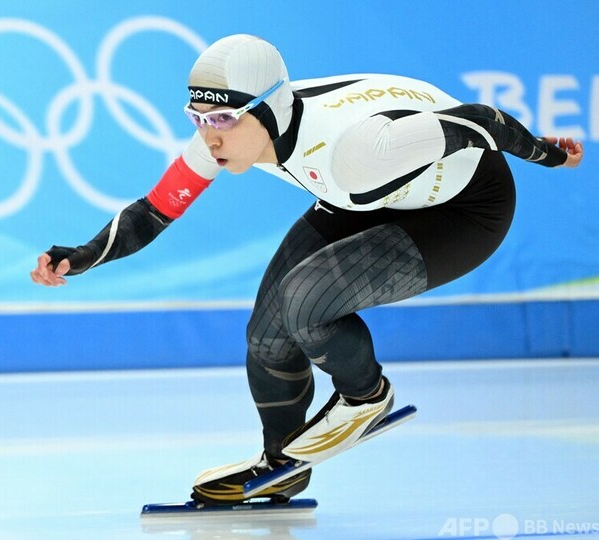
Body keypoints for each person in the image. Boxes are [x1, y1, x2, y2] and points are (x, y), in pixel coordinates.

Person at [31, 34, 584, 505]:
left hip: (462, 208)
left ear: (268, 111)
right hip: (367, 193)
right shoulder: (231, 133)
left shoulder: (354, 150)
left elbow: (481, 120)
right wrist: (81, 256)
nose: (209, 135)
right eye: (197, 118)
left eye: (222, 119)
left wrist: (548, 153)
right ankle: (282, 468)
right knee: (267, 334)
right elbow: (155, 210)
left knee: (305, 300)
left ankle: (366, 396)